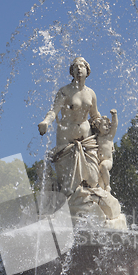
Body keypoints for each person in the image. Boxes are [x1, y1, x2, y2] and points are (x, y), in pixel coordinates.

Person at [38, 57, 101, 197]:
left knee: (92, 178)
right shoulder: (64, 91)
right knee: (67, 184)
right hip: (66, 140)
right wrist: (46, 122)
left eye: (82, 66)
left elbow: (95, 115)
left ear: (87, 71)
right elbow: (54, 111)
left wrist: (106, 125)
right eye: (75, 67)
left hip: (87, 140)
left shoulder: (91, 93)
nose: (79, 69)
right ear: (71, 72)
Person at [92, 109, 118, 191]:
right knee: (97, 173)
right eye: (104, 125)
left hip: (108, 161)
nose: (107, 127)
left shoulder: (109, 137)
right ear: (98, 127)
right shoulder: (95, 138)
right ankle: (102, 188)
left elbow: (114, 126)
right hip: (98, 162)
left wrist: (114, 115)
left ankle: (108, 185)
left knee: (103, 166)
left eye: (108, 125)